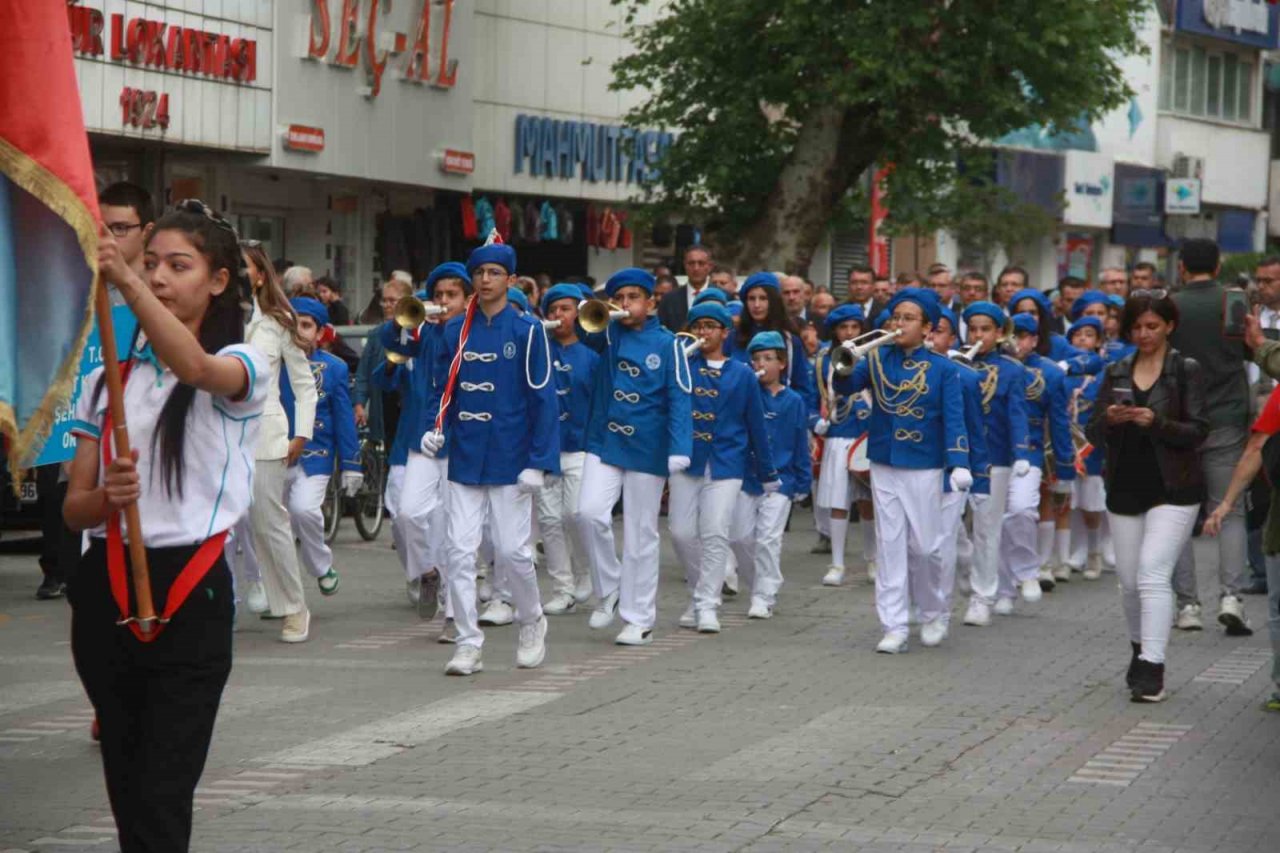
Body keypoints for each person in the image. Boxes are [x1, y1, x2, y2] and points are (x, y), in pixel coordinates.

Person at [66, 201, 269, 851]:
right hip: (107, 587)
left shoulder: (245, 363)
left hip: (193, 588)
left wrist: (123, 281)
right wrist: (107, 497)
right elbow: (74, 508)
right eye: (148, 263)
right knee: (127, 788)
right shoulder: (106, 380)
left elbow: (196, 368)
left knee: (162, 788)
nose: (157, 277)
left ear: (216, 280)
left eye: (177, 266)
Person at [423, 240, 560, 676]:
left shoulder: (528, 330)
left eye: (494, 273)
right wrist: (435, 428)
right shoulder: (454, 330)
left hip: (511, 456)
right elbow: (441, 387)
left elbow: (544, 400)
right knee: (459, 552)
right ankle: (468, 642)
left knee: (513, 551)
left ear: (511, 280)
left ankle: (532, 619)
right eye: (479, 273)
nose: (485, 280)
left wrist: (539, 461)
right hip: (464, 455)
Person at [834, 287, 970, 653]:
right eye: (896, 317)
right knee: (890, 544)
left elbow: (955, 420)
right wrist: (841, 363)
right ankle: (893, 624)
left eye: (909, 318)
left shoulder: (943, 369)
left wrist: (958, 462)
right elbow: (846, 385)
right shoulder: (877, 359)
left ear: (927, 327)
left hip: (924, 463)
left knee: (926, 548)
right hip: (884, 460)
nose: (899, 324)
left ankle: (933, 612)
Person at [1087, 293, 1208, 703]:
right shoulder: (1117, 369)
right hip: (1125, 483)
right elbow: (1090, 430)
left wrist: (1157, 423)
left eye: (1153, 326)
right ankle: (1140, 650)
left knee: (1153, 574)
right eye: (1137, 327)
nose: (1144, 334)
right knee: (1128, 583)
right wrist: (1110, 419)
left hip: (1175, 486)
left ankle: (1153, 668)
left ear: (1169, 326)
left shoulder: (1184, 369)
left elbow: (1199, 431)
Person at [576, 267, 692, 645]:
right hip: (604, 439)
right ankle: (609, 586)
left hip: (649, 445)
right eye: (620, 298)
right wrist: (589, 309)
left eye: (633, 298)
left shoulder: (669, 343)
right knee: (589, 513)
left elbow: (680, 398)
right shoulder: (608, 331)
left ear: (650, 301)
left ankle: (639, 618)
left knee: (641, 533)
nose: (626, 305)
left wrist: (679, 448)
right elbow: (580, 332)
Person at [671, 301, 776, 632]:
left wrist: (767, 472)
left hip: (727, 463)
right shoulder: (683, 365)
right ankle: (696, 592)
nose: (703, 332)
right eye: (698, 325)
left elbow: (756, 424)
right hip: (687, 461)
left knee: (716, 533)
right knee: (680, 533)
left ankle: (707, 604)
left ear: (724, 333)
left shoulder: (743, 373)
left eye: (710, 326)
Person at [1168, 238, 1253, 636]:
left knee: (1180, 514)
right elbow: (1251, 351)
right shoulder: (1235, 302)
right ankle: (1232, 596)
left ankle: (1188, 606)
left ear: (1182, 266)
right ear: (1217, 267)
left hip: (1182, 421)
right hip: (1227, 418)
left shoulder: (1170, 305)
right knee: (1229, 508)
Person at [375, 264, 470, 619]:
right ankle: (428, 573)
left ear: (466, 299)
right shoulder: (423, 333)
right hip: (422, 440)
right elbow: (389, 342)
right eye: (438, 295)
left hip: (461, 439)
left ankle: (453, 614)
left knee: (450, 526)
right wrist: (404, 320)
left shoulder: (472, 331)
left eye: (451, 295)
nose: (443, 302)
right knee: (406, 515)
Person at [237, 241, 318, 641]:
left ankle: (294, 607)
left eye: (244, 267)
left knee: (269, 523)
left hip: (266, 432)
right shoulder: (212, 316)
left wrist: (302, 433)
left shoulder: (277, 320)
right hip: (219, 431)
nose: (236, 273)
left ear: (259, 273)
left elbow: (304, 385)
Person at [280, 297, 362, 595]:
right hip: (275, 454)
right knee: (268, 523)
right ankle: (271, 585)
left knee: (304, 510)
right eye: (293, 324)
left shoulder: (335, 368)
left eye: (306, 325)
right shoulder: (273, 362)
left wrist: (352, 465)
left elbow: (343, 418)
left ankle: (320, 566)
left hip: (316, 455)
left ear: (319, 333)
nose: (298, 331)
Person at [728, 331, 813, 619]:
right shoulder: (746, 393)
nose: (760, 364)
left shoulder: (795, 400)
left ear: (782, 364)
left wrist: (803, 480)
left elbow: (800, 441)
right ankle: (759, 585)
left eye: (767, 358)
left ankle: (764, 594)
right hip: (747, 476)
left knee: (768, 538)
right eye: (755, 359)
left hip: (782, 480)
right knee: (739, 537)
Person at [959, 302, 1033, 628]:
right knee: (950, 529)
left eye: (985, 329)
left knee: (988, 529)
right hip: (959, 457)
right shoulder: (955, 365)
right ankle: (970, 575)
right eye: (973, 329)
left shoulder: (1013, 369)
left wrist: (1021, 453)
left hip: (996, 457)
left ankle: (982, 596)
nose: (978, 335)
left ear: (999, 333)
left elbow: (1017, 413)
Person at [927, 307, 990, 646]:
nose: (930, 337)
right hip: (912, 468)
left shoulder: (964, 377)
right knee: (927, 543)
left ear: (952, 339)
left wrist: (980, 479)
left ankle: (940, 610)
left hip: (951, 471)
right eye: (928, 330)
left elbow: (975, 432)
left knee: (942, 541)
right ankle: (961, 570)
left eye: (938, 331)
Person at [537, 284, 600, 614]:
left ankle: (584, 572)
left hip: (579, 447)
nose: (558, 315)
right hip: (545, 448)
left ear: (578, 313)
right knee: (548, 519)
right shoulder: (539, 352)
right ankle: (562, 588)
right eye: (552, 310)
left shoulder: (591, 357)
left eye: (565, 309)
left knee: (574, 514)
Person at [1006, 312, 1076, 601]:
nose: (1016, 342)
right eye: (1012, 335)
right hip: (992, 452)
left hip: (1031, 450)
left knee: (1022, 509)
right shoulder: (989, 366)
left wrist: (1065, 470)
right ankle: (1002, 579)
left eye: (1023, 336)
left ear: (1034, 340)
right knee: (993, 521)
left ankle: (1031, 567)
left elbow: (1059, 423)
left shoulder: (1050, 373)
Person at [812, 304, 875, 587]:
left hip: (866, 435)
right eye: (843, 328)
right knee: (838, 501)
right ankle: (837, 562)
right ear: (835, 331)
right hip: (839, 433)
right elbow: (813, 394)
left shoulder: (874, 355)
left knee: (868, 501)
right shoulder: (824, 359)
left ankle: (872, 559)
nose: (849, 333)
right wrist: (816, 420)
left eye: (854, 327)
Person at [732, 272, 818, 414]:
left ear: (773, 301)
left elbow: (803, 389)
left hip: (779, 418)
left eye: (763, 298)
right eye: (751, 299)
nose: (757, 305)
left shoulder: (790, 341)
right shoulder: (733, 338)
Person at [1063, 317, 1109, 580]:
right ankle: (1073, 552)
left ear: (1098, 341)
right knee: (1069, 501)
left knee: (1091, 501)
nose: (1082, 339)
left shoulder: (1103, 374)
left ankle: (1094, 551)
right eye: (1077, 335)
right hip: (1065, 441)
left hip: (1090, 445)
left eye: (1089, 335)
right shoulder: (1063, 372)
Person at [99, 182, 155, 305]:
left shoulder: (159, 287)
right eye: (101, 228)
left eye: (120, 228)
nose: (108, 237)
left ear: (147, 232)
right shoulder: (86, 289)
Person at [657, 244, 714, 331]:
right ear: (685, 265)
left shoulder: (723, 297)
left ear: (710, 266)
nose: (696, 268)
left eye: (701, 263)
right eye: (691, 263)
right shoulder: (669, 299)